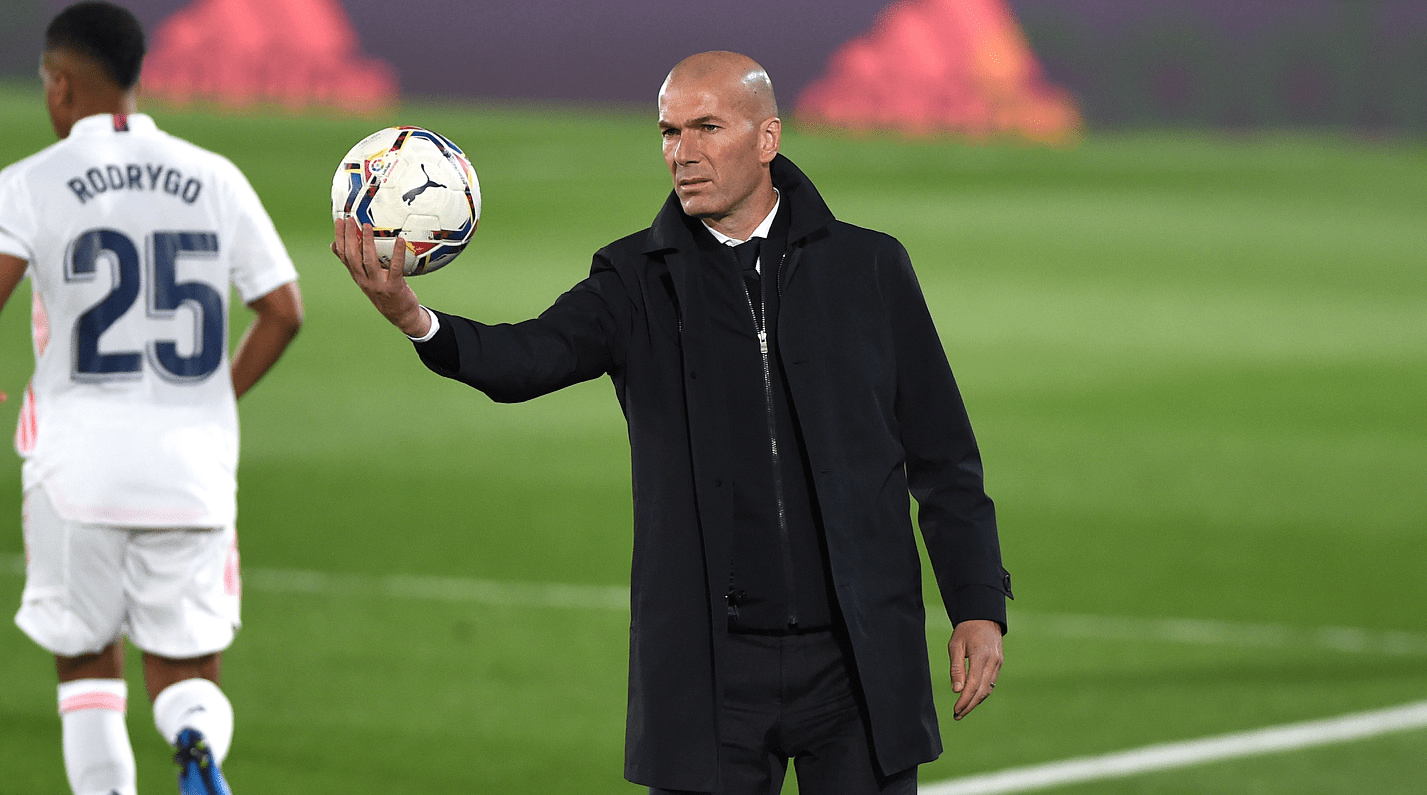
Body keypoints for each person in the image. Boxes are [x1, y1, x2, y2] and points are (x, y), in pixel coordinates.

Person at [333, 51, 1009, 794]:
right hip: (709, 671)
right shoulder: (634, 280)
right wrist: (416, 319)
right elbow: (527, 356)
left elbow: (943, 454)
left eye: (707, 127)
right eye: (668, 131)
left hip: (856, 661)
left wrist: (976, 602)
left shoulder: (869, 269)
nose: (682, 153)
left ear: (766, 139)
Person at [0, 3, 303, 794]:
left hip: (74, 471)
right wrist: (213, 398)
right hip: (190, 467)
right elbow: (283, 310)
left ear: (61, 84)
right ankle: (193, 740)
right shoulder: (216, 176)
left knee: (85, 666)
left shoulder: (30, 183)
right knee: (187, 670)